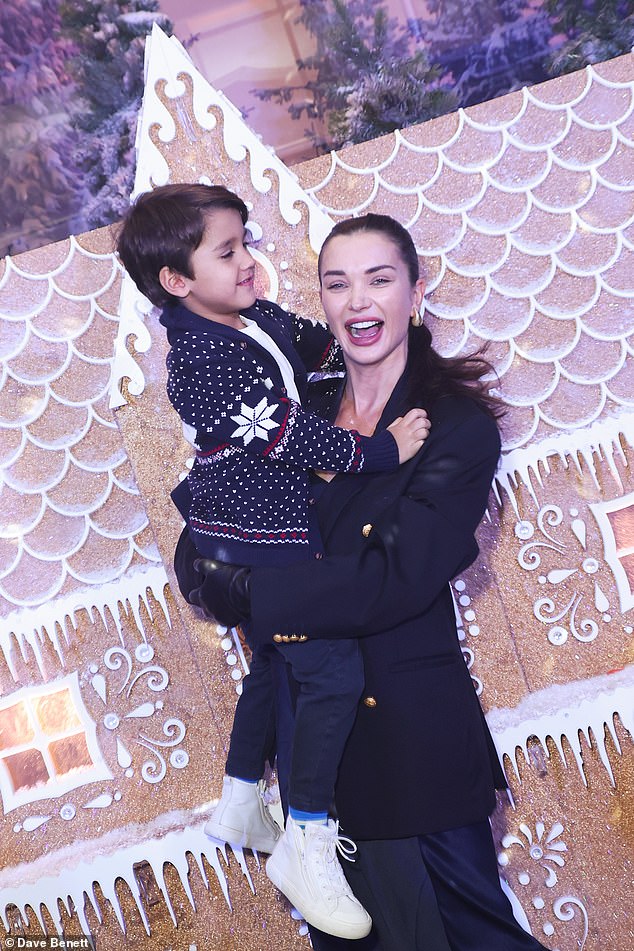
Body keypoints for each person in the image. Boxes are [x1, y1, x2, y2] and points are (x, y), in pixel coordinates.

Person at [184, 213, 551, 951]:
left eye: (380, 279)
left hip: (412, 752)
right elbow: (201, 545)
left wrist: (254, 595)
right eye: (337, 283)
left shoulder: (455, 426)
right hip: (318, 769)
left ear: (416, 293)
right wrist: (222, 573)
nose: (359, 301)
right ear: (320, 300)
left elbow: (395, 577)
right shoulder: (292, 417)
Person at [115, 185, 429, 941]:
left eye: (247, 243)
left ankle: (238, 799)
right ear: (177, 283)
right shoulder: (200, 359)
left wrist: (355, 347)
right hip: (254, 532)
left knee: (276, 663)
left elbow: (314, 346)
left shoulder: (247, 316)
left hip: (262, 525)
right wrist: (378, 448)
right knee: (331, 671)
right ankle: (307, 838)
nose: (251, 263)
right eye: (229, 253)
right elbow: (287, 434)